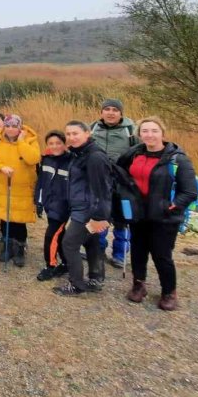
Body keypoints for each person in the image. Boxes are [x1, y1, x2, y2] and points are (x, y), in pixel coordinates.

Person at [116, 117, 198, 311]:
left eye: (154, 130)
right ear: (139, 134)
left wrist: (171, 206)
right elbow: (119, 172)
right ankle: (138, 284)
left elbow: (189, 192)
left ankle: (169, 292)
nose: (149, 135)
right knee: (137, 250)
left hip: (164, 217)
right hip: (138, 213)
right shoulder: (134, 154)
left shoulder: (177, 159)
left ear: (162, 132)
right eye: (145, 131)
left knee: (162, 255)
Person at [54, 121, 114, 296]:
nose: (71, 137)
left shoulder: (94, 157)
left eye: (75, 133)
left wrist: (99, 217)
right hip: (82, 207)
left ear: (87, 133)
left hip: (89, 210)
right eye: (68, 134)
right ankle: (96, 278)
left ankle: (77, 284)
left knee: (69, 244)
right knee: (91, 242)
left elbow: (103, 190)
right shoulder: (79, 153)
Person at [0, 114, 40, 267]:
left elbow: (33, 159)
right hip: (3, 187)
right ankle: (7, 246)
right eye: (8, 126)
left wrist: (21, 143)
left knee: (18, 221)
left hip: (21, 188)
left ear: (20, 127)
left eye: (14, 126)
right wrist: (1, 166)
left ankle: (20, 248)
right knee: (5, 218)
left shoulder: (30, 139)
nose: (10, 129)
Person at [90, 98, 139, 269]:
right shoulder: (93, 128)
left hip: (123, 182)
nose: (111, 113)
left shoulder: (131, 131)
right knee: (100, 216)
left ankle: (119, 254)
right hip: (99, 182)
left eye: (115, 110)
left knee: (122, 220)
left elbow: (140, 154)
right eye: (107, 109)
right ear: (101, 112)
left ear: (121, 113)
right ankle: (98, 250)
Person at [34, 131, 71, 281]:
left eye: (58, 143)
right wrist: (39, 201)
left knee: (51, 235)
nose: (55, 146)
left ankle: (50, 265)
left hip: (63, 206)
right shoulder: (46, 160)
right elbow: (41, 183)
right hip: (50, 203)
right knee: (60, 234)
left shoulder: (72, 161)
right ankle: (66, 261)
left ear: (65, 144)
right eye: (51, 143)